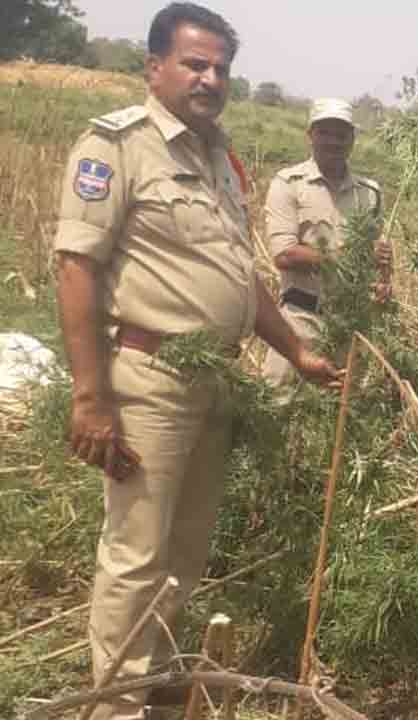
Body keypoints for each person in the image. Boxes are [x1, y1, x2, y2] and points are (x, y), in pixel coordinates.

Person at [52, 5, 342, 718]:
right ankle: (113, 706)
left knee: (183, 553)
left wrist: (297, 350)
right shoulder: (117, 146)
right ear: (154, 67)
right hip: (149, 380)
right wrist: (91, 398)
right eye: (195, 63)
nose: (210, 78)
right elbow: (75, 269)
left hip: (215, 380)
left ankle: (151, 679)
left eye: (220, 67)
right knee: (136, 553)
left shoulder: (218, 158)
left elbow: (240, 278)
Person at [260, 98, 389, 388]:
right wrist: (345, 258)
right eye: (325, 133)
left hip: (350, 327)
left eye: (341, 134)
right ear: (311, 135)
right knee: (278, 409)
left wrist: (383, 282)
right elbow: (284, 256)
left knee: (339, 417)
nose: (334, 141)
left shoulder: (370, 193)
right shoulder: (288, 183)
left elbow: (376, 258)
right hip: (300, 323)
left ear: (352, 139)